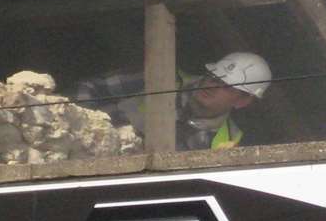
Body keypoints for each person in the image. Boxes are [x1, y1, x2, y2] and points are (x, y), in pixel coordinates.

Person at [72, 51, 271, 150]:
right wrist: (82, 128)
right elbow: (89, 87)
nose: (212, 86)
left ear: (243, 101)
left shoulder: (226, 142)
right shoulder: (161, 79)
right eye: (213, 78)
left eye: (226, 86)